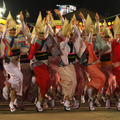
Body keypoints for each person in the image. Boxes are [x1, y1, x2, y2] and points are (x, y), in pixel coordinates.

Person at [1, 11, 28, 112]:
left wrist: (22, 22)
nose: (12, 32)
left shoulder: (16, 40)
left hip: (17, 62)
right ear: (8, 31)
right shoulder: (6, 39)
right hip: (8, 63)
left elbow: (23, 31)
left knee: (18, 81)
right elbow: (2, 37)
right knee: (20, 76)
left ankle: (12, 101)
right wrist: (6, 27)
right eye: (10, 30)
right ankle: (9, 89)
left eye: (13, 30)